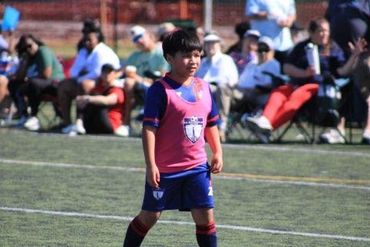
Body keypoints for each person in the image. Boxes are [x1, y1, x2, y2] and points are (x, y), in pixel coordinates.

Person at [122, 29, 223, 247]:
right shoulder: (160, 90)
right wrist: (151, 166)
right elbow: (149, 129)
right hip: (166, 170)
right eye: (186, 56)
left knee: (205, 215)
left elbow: (211, 123)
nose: (193, 61)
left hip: (197, 168)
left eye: (197, 55)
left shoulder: (205, 87)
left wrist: (217, 151)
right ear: (169, 58)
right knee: (150, 216)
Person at [243, 18, 360, 143]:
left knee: (296, 97)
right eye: (321, 31)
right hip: (297, 82)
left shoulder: (334, 49)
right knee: (279, 92)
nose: (324, 34)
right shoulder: (302, 47)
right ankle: (265, 121)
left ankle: (268, 128)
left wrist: (354, 56)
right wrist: (304, 73)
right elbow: (287, 67)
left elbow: (342, 71)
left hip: (319, 87)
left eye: (326, 31)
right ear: (312, 32)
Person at [216, 36, 282, 142]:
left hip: (257, 95)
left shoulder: (273, 64)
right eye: (260, 50)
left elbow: (272, 84)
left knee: (222, 89)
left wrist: (253, 89)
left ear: (272, 51)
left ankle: (221, 127)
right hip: (240, 94)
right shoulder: (252, 64)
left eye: (266, 50)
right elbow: (240, 82)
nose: (263, 53)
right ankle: (213, 127)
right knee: (218, 89)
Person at [57, 27, 121, 135]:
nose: (87, 42)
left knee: (85, 84)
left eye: (90, 40)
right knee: (64, 85)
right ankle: (67, 123)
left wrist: (82, 75)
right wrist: (81, 75)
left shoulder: (102, 52)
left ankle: (79, 121)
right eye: (85, 40)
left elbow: (98, 73)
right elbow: (74, 71)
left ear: (97, 40)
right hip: (85, 80)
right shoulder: (83, 51)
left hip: (102, 82)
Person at [6, 34, 65, 131]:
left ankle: (34, 117)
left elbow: (47, 75)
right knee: (13, 84)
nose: (29, 49)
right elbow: (19, 77)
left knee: (32, 84)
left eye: (30, 46)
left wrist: (29, 79)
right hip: (37, 85)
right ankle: (23, 116)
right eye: (25, 48)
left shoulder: (43, 51)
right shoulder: (29, 58)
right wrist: (25, 61)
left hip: (56, 83)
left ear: (36, 42)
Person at [122, 25, 170, 135]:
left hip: (157, 87)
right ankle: (126, 123)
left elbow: (163, 76)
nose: (139, 41)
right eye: (135, 39)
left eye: (140, 37)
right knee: (126, 83)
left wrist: (138, 78)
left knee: (132, 83)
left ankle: (132, 122)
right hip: (138, 89)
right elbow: (125, 71)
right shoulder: (134, 56)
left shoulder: (161, 53)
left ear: (148, 35)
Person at [195, 32, 239, 141]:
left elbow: (233, 80)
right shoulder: (203, 62)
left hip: (225, 93)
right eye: (207, 44)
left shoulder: (226, 60)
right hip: (204, 93)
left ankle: (221, 128)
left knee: (221, 88)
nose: (210, 46)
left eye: (213, 43)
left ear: (219, 45)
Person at [75, 64, 126, 136]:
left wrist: (88, 98)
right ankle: (79, 123)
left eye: (109, 72)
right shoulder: (98, 87)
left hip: (110, 124)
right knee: (86, 100)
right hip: (95, 123)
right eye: (104, 72)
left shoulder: (117, 89)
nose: (107, 75)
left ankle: (80, 123)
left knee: (95, 100)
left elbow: (108, 100)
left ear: (115, 74)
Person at [245, 0, 296, 64]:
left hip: (284, 45)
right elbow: (250, 14)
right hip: (263, 46)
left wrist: (288, 22)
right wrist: (269, 15)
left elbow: (292, 14)